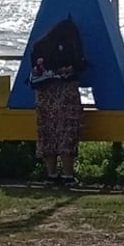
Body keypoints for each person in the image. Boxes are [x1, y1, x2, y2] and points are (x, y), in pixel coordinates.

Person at [28, 18, 88, 186]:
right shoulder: (71, 46)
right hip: (66, 94)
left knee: (47, 133)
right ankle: (69, 175)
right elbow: (80, 66)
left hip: (44, 95)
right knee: (67, 133)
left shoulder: (40, 47)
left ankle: (51, 174)